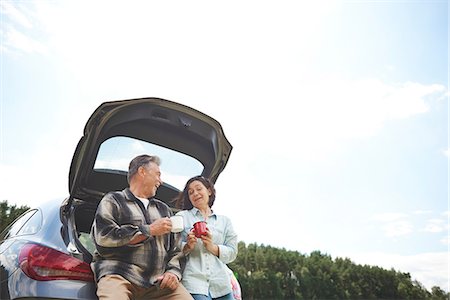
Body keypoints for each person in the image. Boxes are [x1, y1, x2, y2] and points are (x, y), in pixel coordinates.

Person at [90, 154, 192, 300]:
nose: (160, 181)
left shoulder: (164, 210)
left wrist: (173, 273)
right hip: (119, 275)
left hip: (158, 283)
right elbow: (104, 237)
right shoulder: (113, 200)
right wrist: (149, 230)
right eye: (158, 174)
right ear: (142, 171)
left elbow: (176, 250)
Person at [174, 175, 238, 300]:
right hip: (193, 282)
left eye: (199, 189)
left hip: (222, 284)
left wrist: (213, 247)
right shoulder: (181, 217)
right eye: (190, 192)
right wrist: (187, 246)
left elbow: (233, 252)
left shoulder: (225, 221)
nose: (195, 194)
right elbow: (171, 248)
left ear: (209, 191)